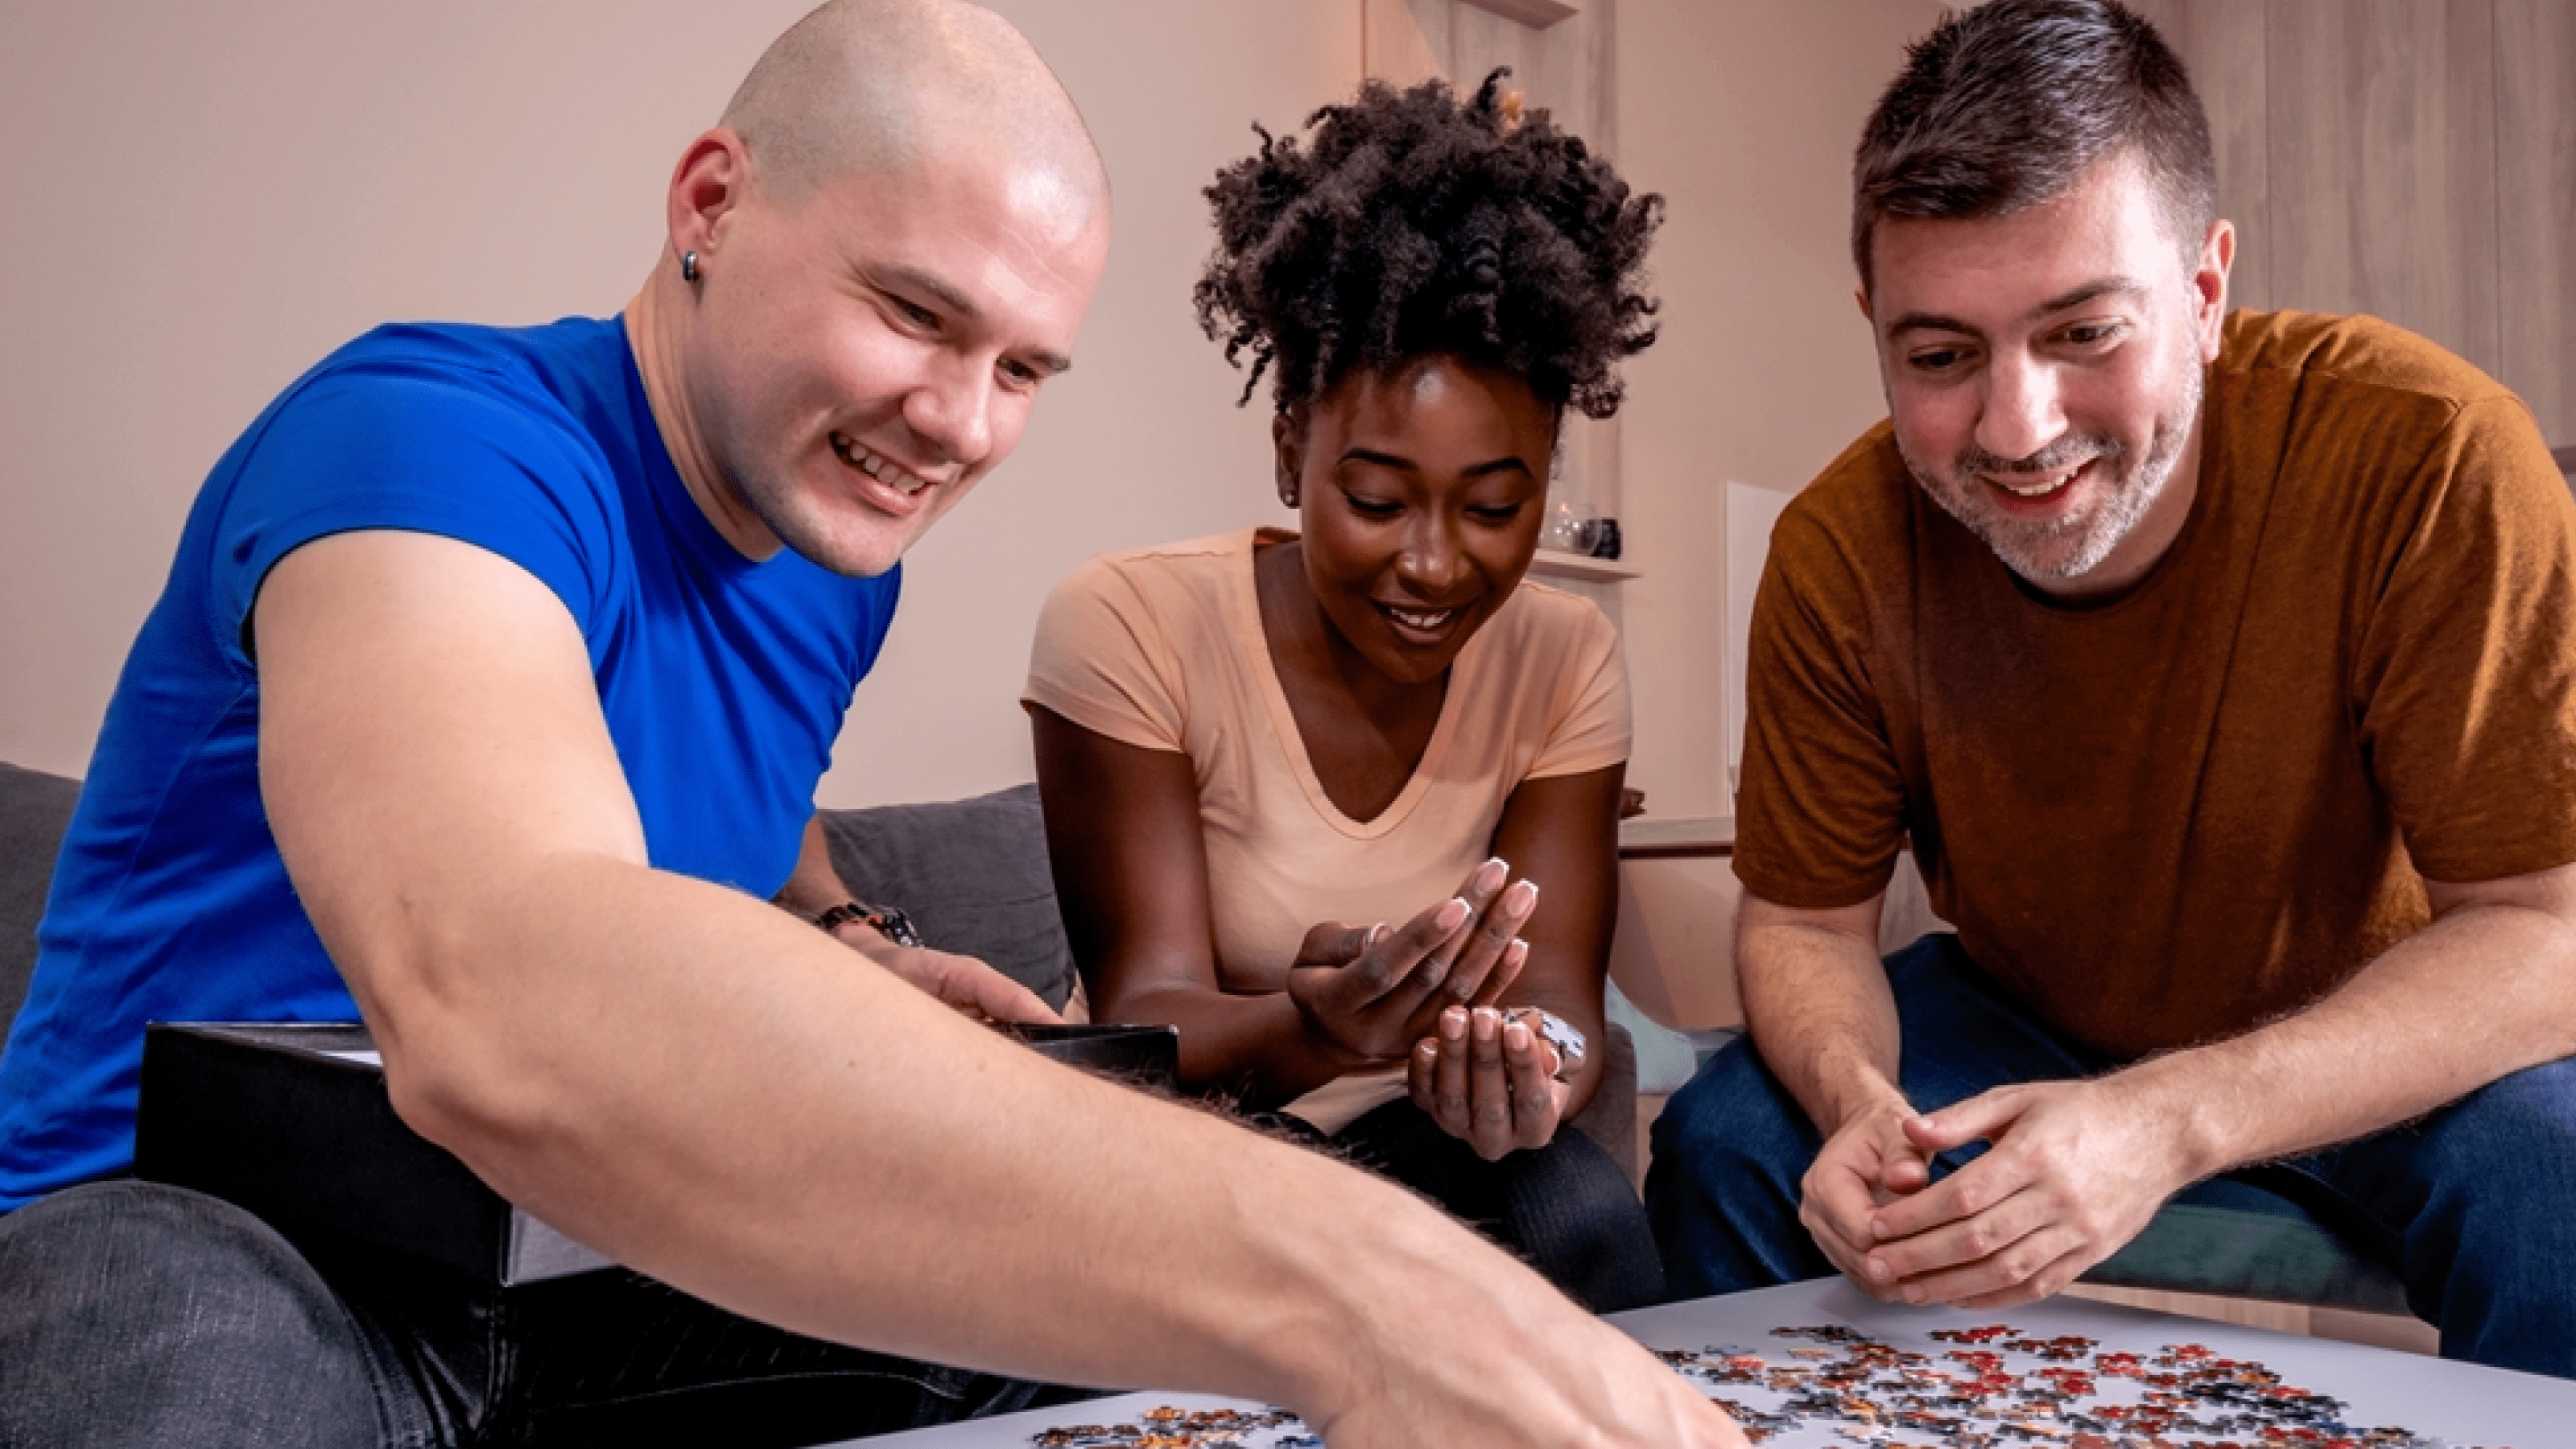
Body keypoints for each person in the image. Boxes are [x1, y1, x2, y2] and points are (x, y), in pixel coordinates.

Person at [0, 4, 1752, 1446]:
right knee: (165, 1355)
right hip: (235, 1247)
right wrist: (1366, 1281)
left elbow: (704, 807)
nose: (958, 423)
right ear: (708, 203)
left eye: (1021, 369)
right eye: (914, 314)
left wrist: (846, 937)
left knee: (1106, 1369)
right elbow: (504, 981)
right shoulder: (426, 448)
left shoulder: (834, 557)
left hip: (587, 1270)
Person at [1644, 0, 2576, 1379]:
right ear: (1876, 326)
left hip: (2382, 1033)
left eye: (2084, 332)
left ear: (2204, 293)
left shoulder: (2432, 458)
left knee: (2560, 1194)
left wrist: (2166, 1119)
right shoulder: (1837, 552)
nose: (2018, 431)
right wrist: (1857, 1101)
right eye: (1941, 356)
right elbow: (1804, 923)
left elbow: (2548, 937)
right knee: (1733, 1146)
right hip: (2018, 1022)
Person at [1023, 72, 1665, 1312]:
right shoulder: (1128, 622)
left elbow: (1563, 1004)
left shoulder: (1564, 656)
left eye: (1495, 507)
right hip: (1184, 1139)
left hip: (1416, 1146)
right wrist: (1314, 1034)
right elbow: (1143, 1014)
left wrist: (1533, 1066)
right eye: (1375, 500)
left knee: (1580, 1215)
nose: (1433, 562)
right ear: (1288, 451)